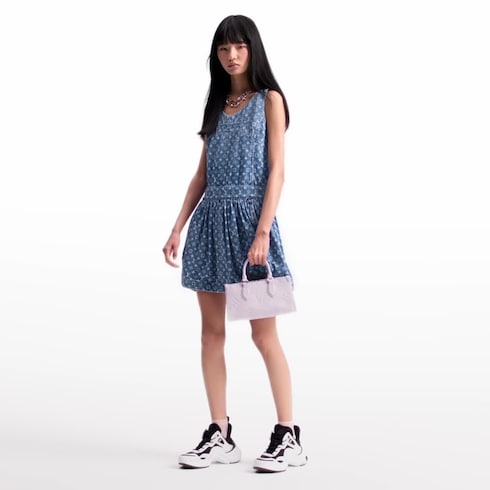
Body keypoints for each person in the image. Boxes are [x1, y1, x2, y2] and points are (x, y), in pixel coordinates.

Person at [162, 14, 307, 473]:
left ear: (252, 49)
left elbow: (277, 172)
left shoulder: (270, 100)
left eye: (239, 46)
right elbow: (201, 176)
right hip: (209, 227)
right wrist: (178, 227)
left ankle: (288, 435)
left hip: (250, 227)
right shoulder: (217, 105)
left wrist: (262, 232)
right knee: (211, 333)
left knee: (263, 336)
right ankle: (220, 433)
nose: (232, 55)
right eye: (224, 48)